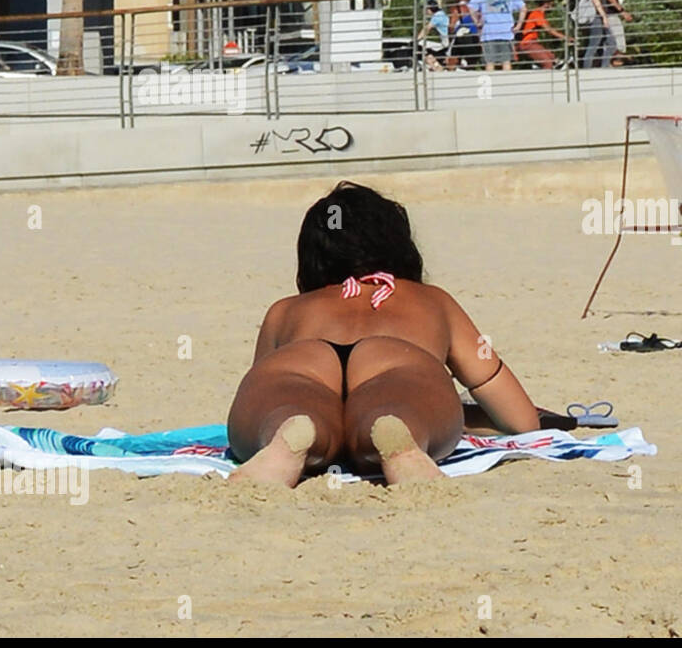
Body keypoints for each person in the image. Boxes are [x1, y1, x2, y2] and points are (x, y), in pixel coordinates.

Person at [227, 182, 540, 487]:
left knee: (281, 404)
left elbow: (258, 388)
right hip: (396, 359)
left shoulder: (284, 310)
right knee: (400, 407)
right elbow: (521, 419)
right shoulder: (435, 302)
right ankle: (398, 425)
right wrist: (449, 413)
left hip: (303, 360)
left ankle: (288, 430)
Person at [468, 0, 526, 71]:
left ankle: (491, 80)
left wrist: (477, 22)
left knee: (490, 62)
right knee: (506, 61)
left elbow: (471, 8)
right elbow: (523, 8)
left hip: (489, 31)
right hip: (506, 31)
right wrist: (519, 25)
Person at [517, 0, 570, 69]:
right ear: (546, 4)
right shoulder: (537, 14)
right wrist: (566, 38)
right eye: (552, 5)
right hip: (527, 43)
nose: (553, 7)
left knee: (553, 58)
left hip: (531, 42)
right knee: (548, 63)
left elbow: (550, 30)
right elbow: (549, 30)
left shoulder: (537, 13)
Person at [418, 0, 449, 72]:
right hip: (447, 42)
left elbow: (427, 29)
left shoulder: (437, 16)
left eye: (426, 9)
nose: (426, 11)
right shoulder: (442, 14)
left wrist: (417, 39)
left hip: (446, 43)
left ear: (430, 9)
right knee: (432, 55)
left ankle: (438, 70)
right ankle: (439, 68)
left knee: (427, 56)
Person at [447, 0, 480, 70]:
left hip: (463, 39)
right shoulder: (476, 12)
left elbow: (452, 27)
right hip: (475, 39)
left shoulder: (457, 11)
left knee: (452, 55)